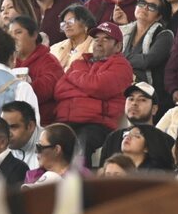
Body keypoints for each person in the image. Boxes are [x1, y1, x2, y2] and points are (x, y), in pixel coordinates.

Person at [53, 21, 133, 164]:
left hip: (97, 124)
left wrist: (74, 78)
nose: (99, 42)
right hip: (66, 121)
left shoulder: (121, 65)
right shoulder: (79, 63)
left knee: (81, 144)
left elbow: (99, 87)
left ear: (118, 46)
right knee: (48, 143)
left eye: (106, 39)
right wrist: (87, 87)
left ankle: (82, 185)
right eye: (96, 39)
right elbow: (59, 90)